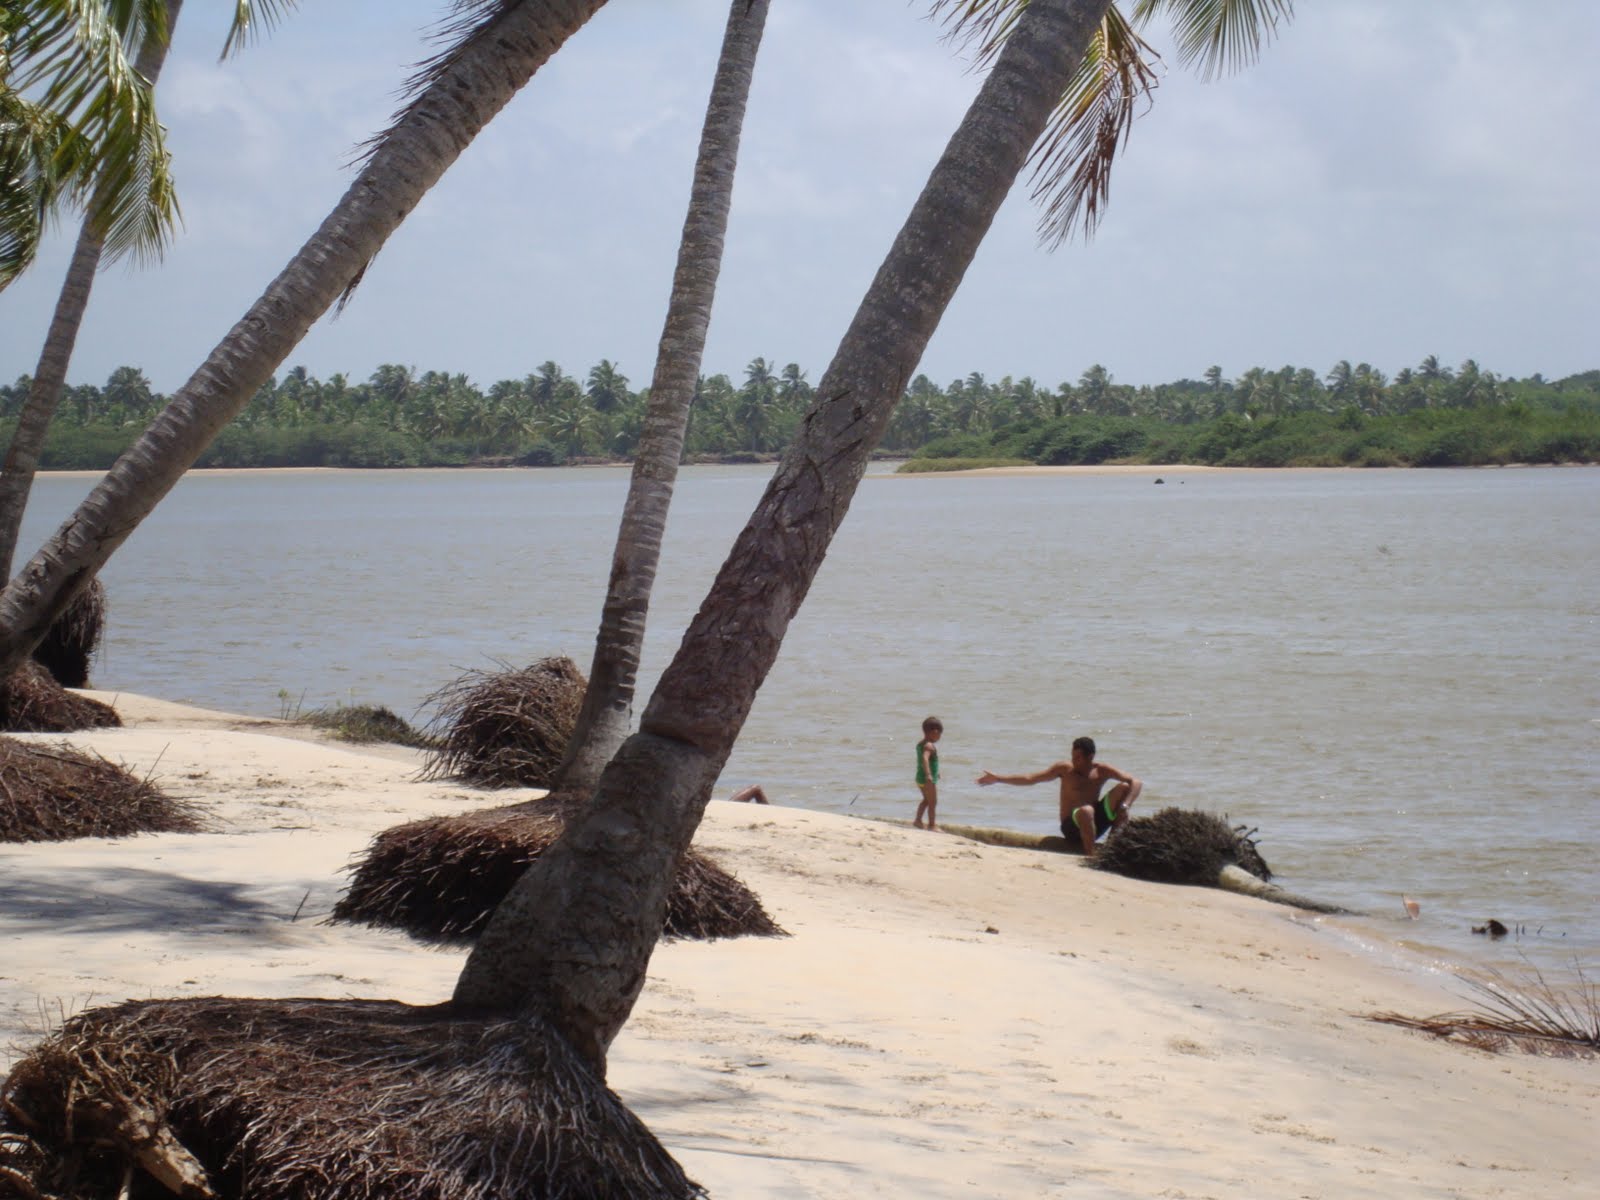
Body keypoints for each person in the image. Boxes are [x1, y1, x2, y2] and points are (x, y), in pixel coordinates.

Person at [976, 735, 1141, 857]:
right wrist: (998, 778)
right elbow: (1031, 778)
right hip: (1071, 826)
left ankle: (1113, 850)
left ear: (1090, 757)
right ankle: (1091, 857)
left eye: (1078, 758)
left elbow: (1136, 782)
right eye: (1072, 756)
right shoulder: (1064, 769)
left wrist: (1126, 806)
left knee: (1124, 788)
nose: (1073, 761)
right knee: (1086, 811)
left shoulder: (1101, 770)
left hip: (1093, 824)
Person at [913, 716, 943, 831]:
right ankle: (932, 825)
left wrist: (936, 772)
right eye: (939, 734)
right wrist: (929, 774)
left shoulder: (921, 744)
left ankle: (918, 820)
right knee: (933, 802)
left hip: (920, 777)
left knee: (926, 800)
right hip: (927, 779)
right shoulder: (929, 746)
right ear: (934, 732)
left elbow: (927, 761)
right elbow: (925, 759)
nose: (939, 736)